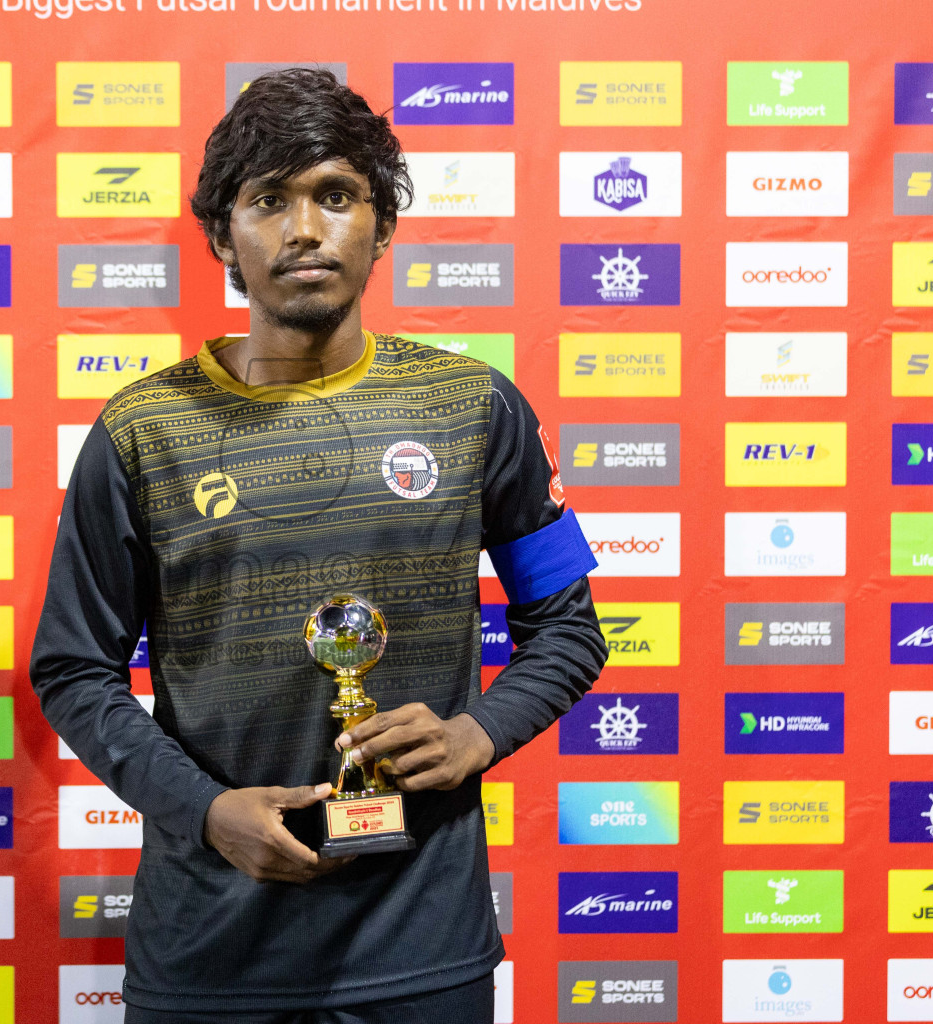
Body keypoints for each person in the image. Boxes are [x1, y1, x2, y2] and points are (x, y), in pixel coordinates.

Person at [30, 67, 607, 1022]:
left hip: (421, 942)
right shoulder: (141, 432)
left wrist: (478, 733)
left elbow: (569, 630)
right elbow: (74, 671)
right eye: (269, 201)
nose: (304, 228)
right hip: (210, 949)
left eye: (336, 195)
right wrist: (204, 811)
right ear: (223, 235)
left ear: (381, 226)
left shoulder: (474, 409)